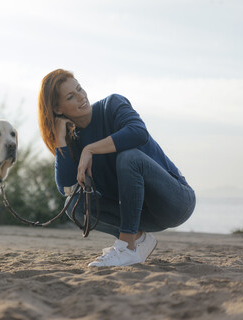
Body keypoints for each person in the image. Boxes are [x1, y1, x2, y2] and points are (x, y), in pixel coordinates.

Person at [37, 69, 196, 267]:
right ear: (58, 109)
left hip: (174, 202)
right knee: (73, 205)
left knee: (129, 157)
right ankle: (138, 239)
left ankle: (126, 247)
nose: (81, 97)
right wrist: (60, 139)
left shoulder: (112, 105)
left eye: (79, 89)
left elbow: (138, 133)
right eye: (71, 96)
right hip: (140, 214)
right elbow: (67, 189)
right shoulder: (74, 141)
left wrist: (91, 149)